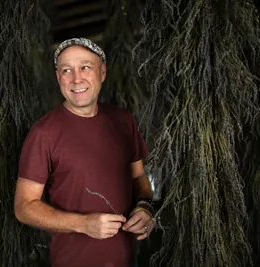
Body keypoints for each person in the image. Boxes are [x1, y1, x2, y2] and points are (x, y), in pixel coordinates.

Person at [14, 37, 155, 267]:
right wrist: (83, 224)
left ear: (102, 72)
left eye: (85, 67)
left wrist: (145, 208)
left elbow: (139, 178)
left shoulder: (124, 122)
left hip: (127, 260)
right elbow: (24, 207)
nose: (76, 78)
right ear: (58, 77)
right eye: (66, 70)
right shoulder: (43, 134)